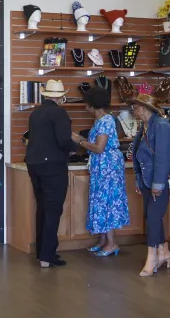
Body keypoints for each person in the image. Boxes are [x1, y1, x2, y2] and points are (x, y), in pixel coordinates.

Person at [128, 93, 170, 277]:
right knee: (150, 216)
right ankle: (164, 251)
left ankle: (152, 256)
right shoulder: (145, 126)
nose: (133, 110)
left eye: (135, 107)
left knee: (153, 217)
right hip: (147, 179)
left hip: (159, 180)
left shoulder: (161, 126)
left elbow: (162, 157)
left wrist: (158, 184)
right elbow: (139, 156)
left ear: (143, 108)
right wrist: (139, 180)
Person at [72, 86, 129, 256]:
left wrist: (79, 141)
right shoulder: (101, 120)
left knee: (107, 202)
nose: (84, 107)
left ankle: (112, 243)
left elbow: (99, 148)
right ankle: (104, 240)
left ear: (92, 104)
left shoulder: (105, 121)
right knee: (100, 201)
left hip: (108, 168)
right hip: (102, 167)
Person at [25, 79, 74, 268]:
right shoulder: (59, 112)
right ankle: (47, 255)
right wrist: (74, 148)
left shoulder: (35, 113)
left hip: (34, 164)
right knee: (53, 209)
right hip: (53, 166)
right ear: (61, 97)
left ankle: (41, 253)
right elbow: (64, 140)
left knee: (43, 208)